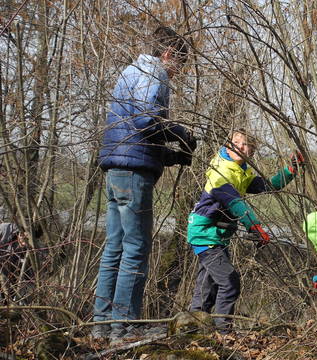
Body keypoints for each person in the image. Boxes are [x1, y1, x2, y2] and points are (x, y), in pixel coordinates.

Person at [93, 25, 197, 343]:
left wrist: (171, 157)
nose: (178, 73)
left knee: (114, 247)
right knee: (136, 248)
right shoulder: (155, 74)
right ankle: (123, 327)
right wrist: (181, 134)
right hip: (134, 176)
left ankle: (101, 325)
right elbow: (146, 121)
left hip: (116, 169)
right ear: (168, 55)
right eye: (179, 64)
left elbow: (133, 135)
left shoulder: (130, 70)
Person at [187, 129, 304, 331]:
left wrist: (290, 170)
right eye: (236, 142)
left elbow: (268, 185)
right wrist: (255, 227)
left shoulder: (241, 172)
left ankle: (191, 329)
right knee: (229, 282)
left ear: (251, 152)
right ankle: (224, 332)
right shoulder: (220, 171)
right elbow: (234, 202)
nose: (240, 146)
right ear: (227, 145)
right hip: (205, 234)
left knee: (207, 288)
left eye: (245, 144)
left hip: (216, 236)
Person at [0, 222, 43, 304]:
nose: (24, 240)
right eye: (22, 235)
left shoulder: (36, 253)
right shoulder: (5, 230)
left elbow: (30, 280)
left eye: (28, 239)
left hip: (12, 281)